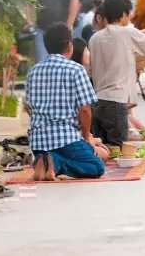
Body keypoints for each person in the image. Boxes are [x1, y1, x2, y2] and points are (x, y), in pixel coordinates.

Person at [89, 0, 145, 147]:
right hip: (116, 102)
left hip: (97, 102)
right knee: (118, 149)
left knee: (103, 148)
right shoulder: (127, 32)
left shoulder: (95, 38)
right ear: (123, 14)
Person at [26, 23, 105, 181]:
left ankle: (44, 160)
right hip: (67, 139)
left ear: (47, 46)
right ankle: (55, 163)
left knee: (56, 152)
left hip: (37, 141)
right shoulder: (75, 70)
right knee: (97, 166)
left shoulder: (32, 71)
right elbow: (84, 109)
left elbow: (29, 108)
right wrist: (86, 136)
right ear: (69, 45)